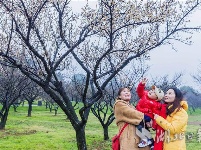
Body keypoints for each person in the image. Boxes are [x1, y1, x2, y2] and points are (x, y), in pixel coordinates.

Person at [136, 78, 165, 149]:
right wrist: (142, 84)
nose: (151, 91)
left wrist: (153, 124)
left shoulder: (155, 104)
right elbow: (139, 91)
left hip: (146, 116)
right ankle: (151, 143)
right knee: (144, 129)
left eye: (154, 92)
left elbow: (156, 114)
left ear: (157, 98)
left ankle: (145, 140)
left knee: (138, 125)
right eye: (151, 90)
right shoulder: (144, 94)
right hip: (140, 114)